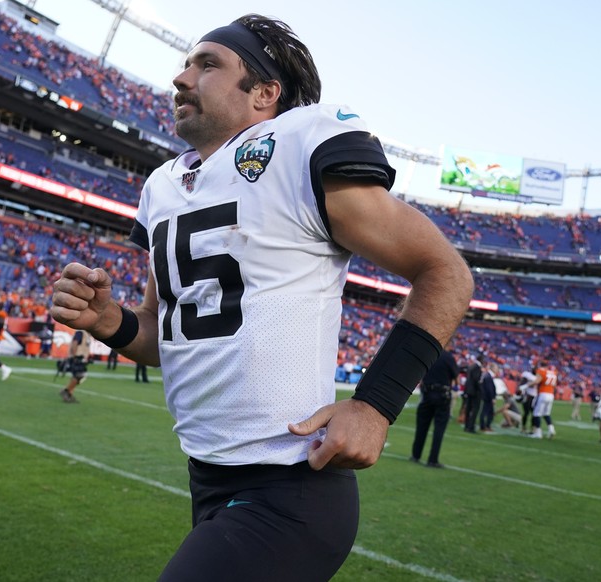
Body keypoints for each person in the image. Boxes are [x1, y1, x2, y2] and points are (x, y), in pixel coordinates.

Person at [50, 14, 473, 581]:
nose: (181, 77)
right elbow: (160, 336)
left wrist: (375, 406)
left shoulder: (297, 145)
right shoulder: (163, 187)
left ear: (265, 93)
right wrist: (109, 321)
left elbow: (444, 272)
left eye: (207, 64)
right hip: (207, 477)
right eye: (185, 63)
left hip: (290, 485)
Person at [411, 349, 459, 469]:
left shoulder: (430, 353)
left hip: (427, 393)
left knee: (421, 426)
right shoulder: (448, 357)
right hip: (442, 395)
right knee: (439, 429)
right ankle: (432, 459)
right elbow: (456, 377)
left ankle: (415, 455)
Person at [60, 330, 91, 403]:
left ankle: (68, 393)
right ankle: (66, 392)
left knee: (78, 376)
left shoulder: (85, 334)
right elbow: (75, 343)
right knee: (79, 376)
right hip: (77, 357)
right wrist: (74, 357)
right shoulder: (81, 332)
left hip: (80, 358)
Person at [529, 359, 557, 439]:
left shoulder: (541, 371)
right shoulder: (553, 372)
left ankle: (538, 433)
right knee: (546, 413)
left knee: (536, 413)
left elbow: (536, 381)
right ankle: (551, 429)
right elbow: (554, 385)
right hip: (551, 394)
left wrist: (526, 385)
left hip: (543, 393)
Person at [463, 353, 484, 434]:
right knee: (475, 410)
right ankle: (470, 427)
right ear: (481, 360)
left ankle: (466, 426)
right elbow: (476, 380)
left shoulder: (472, 366)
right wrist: (481, 389)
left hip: (469, 391)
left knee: (468, 409)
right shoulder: (477, 367)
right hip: (475, 392)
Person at [517, 364, 538, 434]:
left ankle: (533, 428)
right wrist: (521, 390)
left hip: (535, 397)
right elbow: (522, 383)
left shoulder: (538, 377)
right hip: (528, 396)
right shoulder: (527, 375)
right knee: (526, 413)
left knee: (534, 414)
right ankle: (523, 427)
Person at [479, 360, 498, 433]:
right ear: (492, 368)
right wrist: (492, 398)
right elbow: (489, 389)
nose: (497, 370)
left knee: (489, 412)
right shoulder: (488, 376)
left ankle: (486, 425)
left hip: (487, 397)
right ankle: (483, 426)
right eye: (496, 368)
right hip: (488, 398)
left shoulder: (488, 376)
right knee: (485, 412)